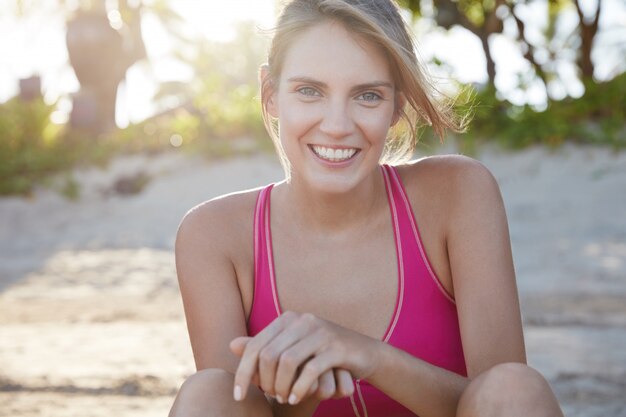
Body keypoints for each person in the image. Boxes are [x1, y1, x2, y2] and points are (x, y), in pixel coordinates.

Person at [168, 1, 565, 416]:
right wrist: (308, 386)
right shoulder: (213, 235)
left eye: (368, 95)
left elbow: (501, 401)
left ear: (396, 106)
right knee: (208, 395)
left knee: (514, 385)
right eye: (309, 91)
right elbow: (234, 410)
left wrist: (366, 355)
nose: (337, 125)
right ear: (270, 95)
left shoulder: (457, 194)